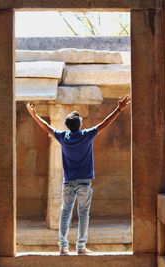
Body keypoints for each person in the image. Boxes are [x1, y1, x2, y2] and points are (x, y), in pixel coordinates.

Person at [26, 95, 132, 255]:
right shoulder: (86, 135)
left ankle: (63, 246)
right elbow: (104, 124)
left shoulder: (63, 137)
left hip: (68, 183)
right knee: (83, 215)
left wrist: (34, 115)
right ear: (80, 124)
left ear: (68, 126)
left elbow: (47, 127)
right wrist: (119, 109)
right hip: (84, 183)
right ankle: (81, 247)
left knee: (65, 213)